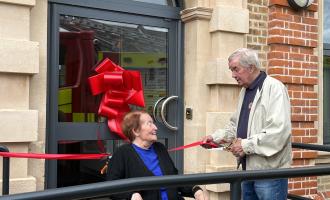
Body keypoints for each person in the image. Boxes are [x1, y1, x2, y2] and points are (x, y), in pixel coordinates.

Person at [202, 48, 292, 200]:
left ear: (251, 67)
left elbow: (278, 132)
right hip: (248, 170)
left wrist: (244, 146)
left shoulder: (274, 88)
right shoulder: (245, 91)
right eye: (231, 70)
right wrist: (215, 138)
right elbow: (235, 127)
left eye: (236, 69)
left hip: (269, 173)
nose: (233, 75)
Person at [107, 110, 206, 200]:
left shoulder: (160, 148)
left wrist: (194, 189)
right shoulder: (122, 153)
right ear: (136, 131)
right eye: (149, 124)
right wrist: (131, 195)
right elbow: (111, 187)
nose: (155, 127)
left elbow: (175, 178)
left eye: (153, 123)